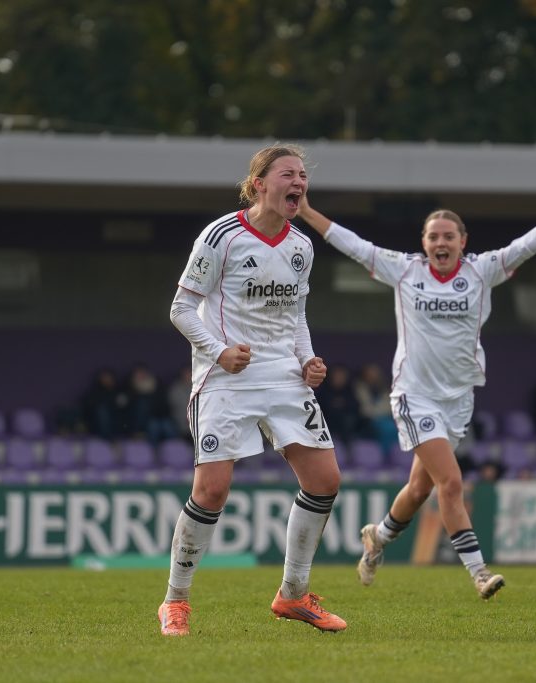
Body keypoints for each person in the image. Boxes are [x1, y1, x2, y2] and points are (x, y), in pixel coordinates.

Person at [298, 179, 536, 598]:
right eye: (433, 236)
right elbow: (353, 244)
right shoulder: (405, 270)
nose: (441, 242)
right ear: (423, 243)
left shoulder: (483, 270)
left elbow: (534, 241)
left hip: (458, 399)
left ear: (462, 242)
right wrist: (308, 212)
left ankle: (376, 540)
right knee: (451, 484)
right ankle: (479, 573)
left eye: (448, 236)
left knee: (420, 488)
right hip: (413, 395)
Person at [159, 144, 345, 636]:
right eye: (289, 173)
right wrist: (218, 351)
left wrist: (306, 360)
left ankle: (293, 595)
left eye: (304, 175)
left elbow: (296, 315)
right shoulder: (221, 235)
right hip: (226, 377)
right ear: (260, 183)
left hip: (282, 375)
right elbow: (181, 308)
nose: (299, 182)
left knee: (325, 480)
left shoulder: (301, 246)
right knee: (212, 490)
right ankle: (176, 601)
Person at [354, 362, 399, 453]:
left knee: (397, 427)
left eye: (375, 373)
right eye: (369, 373)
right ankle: (384, 456)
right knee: (387, 428)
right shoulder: (359, 388)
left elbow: (389, 408)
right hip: (366, 422)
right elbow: (366, 410)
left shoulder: (384, 389)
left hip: (385, 419)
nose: (373, 376)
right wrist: (377, 412)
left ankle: (394, 457)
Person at [126, 364, 176, 444]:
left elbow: (163, 405)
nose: (140, 376)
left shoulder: (157, 387)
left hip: (158, 416)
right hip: (140, 423)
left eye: (142, 373)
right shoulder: (129, 389)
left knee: (167, 426)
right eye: (138, 374)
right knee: (153, 427)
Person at [313, 364, 362, 444]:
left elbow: (356, 407)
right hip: (327, 425)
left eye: (342, 377)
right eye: (337, 376)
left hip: (348, 426)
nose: (339, 379)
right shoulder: (323, 391)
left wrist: (342, 405)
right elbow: (321, 408)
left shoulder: (349, 391)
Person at [166, 365, 193, 441]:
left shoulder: (198, 388)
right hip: (180, 423)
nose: (187, 376)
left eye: (190, 374)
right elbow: (174, 408)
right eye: (185, 374)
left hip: (198, 423)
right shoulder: (175, 389)